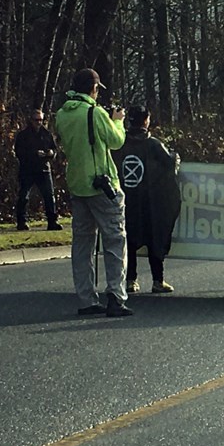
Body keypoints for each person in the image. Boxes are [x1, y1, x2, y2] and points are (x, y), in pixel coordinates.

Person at [53, 68, 132, 317]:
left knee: (82, 243)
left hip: (77, 184)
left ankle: (86, 299)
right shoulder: (95, 113)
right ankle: (116, 297)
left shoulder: (61, 115)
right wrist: (117, 119)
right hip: (102, 185)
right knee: (114, 241)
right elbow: (116, 140)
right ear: (93, 89)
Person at [111, 105, 181, 295]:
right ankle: (158, 280)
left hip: (127, 200)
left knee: (129, 240)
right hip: (150, 202)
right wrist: (176, 157)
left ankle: (130, 280)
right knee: (154, 238)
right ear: (146, 120)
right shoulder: (153, 145)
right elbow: (169, 163)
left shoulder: (120, 143)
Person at [14, 108, 62, 231]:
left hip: (44, 169)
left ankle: (52, 221)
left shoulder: (47, 134)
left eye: (41, 120)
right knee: (24, 196)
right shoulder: (23, 136)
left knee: (49, 196)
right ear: (31, 120)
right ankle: (21, 222)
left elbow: (55, 150)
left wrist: (51, 153)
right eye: (36, 120)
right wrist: (34, 154)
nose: (38, 123)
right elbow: (19, 152)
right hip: (28, 170)